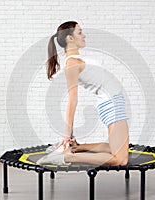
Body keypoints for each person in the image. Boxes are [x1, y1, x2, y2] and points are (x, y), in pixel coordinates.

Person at [37, 21, 130, 166]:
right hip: (111, 103)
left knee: (116, 148)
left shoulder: (79, 59)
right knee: (120, 159)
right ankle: (65, 158)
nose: (84, 36)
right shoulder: (71, 64)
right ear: (70, 38)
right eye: (80, 32)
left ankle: (76, 148)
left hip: (114, 101)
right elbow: (72, 100)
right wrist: (67, 135)